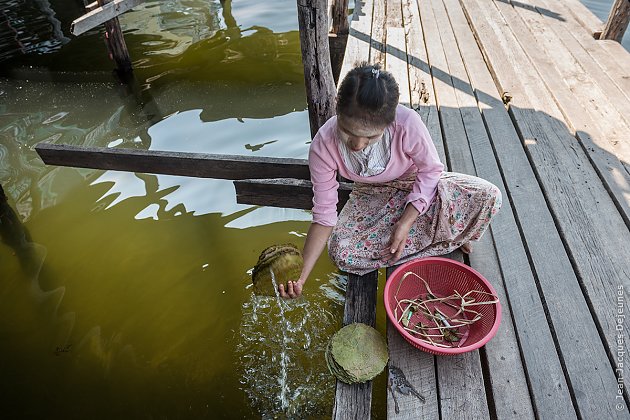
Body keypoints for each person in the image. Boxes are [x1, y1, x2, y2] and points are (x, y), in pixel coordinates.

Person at [279, 63, 502, 299]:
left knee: (489, 196)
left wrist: (405, 222)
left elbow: (431, 171)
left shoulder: (407, 123)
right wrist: (301, 276)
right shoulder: (323, 145)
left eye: (370, 137)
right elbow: (324, 214)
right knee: (340, 252)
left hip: (414, 184)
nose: (357, 145)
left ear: (388, 124)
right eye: (348, 132)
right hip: (370, 195)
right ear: (338, 110)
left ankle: (432, 238)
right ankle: (445, 240)